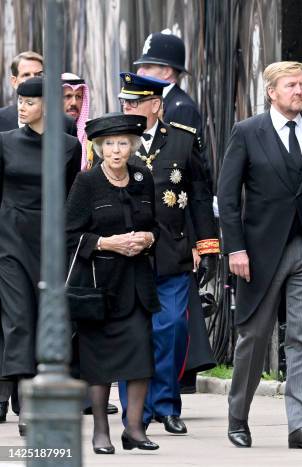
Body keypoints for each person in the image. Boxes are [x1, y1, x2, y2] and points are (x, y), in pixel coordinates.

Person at [218, 61, 302, 449]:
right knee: (254, 337)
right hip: (259, 253)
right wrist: (235, 248)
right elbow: (227, 197)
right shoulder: (247, 132)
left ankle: (299, 424)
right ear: (271, 92)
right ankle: (238, 416)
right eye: (290, 85)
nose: (299, 91)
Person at [116, 72, 219, 435]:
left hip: (173, 252)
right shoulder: (115, 140)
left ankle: (166, 404)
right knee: (135, 332)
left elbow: (200, 196)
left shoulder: (182, 139)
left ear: (156, 104)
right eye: (124, 101)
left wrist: (205, 246)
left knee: (172, 328)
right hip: (128, 255)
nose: (127, 107)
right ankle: (137, 413)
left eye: (134, 101)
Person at [65, 112, 160, 454]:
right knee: (99, 362)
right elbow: (69, 234)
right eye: (109, 144)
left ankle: (134, 429)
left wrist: (148, 237)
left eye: (123, 144)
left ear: (132, 146)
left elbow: (156, 224)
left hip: (136, 284)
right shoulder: (87, 183)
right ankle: (101, 432)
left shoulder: (142, 177)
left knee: (140, 356)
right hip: (98, 288)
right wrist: (107, 243)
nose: (117, 151)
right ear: (99, 147)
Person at [0, 77, 81, 436]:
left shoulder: (67, 147)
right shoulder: (4, 143)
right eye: (19, 100)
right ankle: (25, 404)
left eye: (30, 101)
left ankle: (25, 395)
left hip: (48, 241)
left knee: (42, 316)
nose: (22, 106)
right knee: (19, 318)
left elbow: (67, 198)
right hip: (9, 239)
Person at [134, 30, 203, 146]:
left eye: (147, 66)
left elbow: (181, 157)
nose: (139, 72)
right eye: (141, 66)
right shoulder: (156, 102)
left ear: (166, 72)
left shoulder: (182, 109)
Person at [0, 51, 76, 135]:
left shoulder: (67, 123)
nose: (33, 79)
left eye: (39, 74)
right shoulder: (1, 118)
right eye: (26, 75)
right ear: (14, 81)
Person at [62, 72, 91, 170]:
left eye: (78, 97)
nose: (74, 103)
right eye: (67, 96)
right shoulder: (43, 130)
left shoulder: (91, 131)